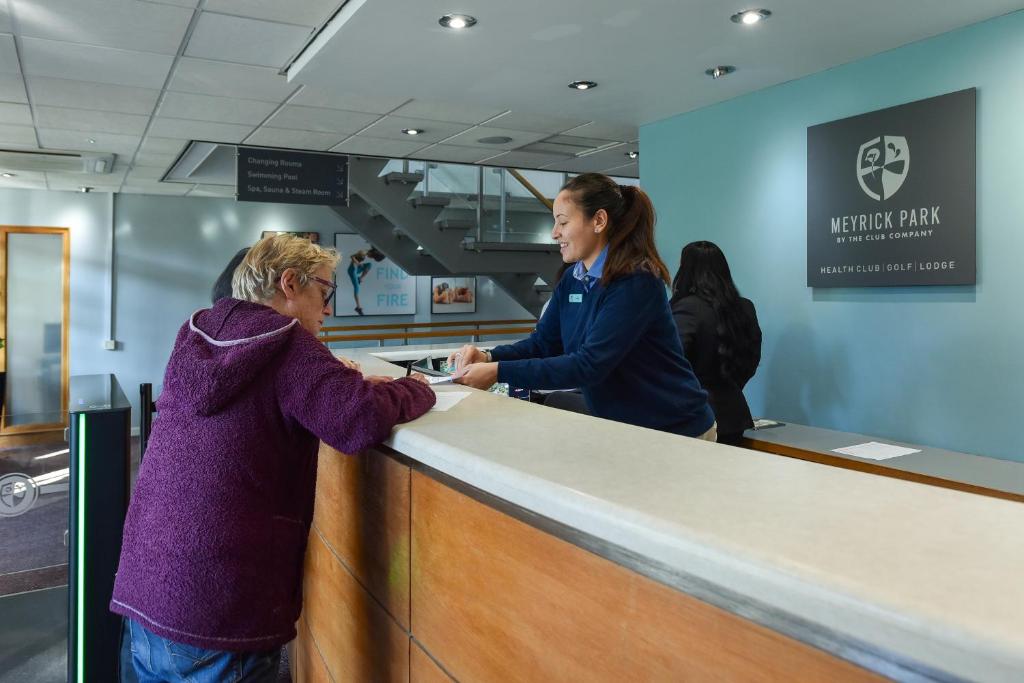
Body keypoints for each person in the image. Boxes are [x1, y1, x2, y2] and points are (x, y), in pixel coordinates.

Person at [111, 234, 435, 682]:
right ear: (289, 284)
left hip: (147, 590)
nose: (327, 310)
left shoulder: (199, 332)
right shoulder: (287, 343)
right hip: (220, 606)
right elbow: (357, 420)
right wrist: (418, 387)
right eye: (324, 293)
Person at [448, 173, 715, 440]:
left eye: (562, 222)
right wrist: (489, 357)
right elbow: (543, 344)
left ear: (599, 221)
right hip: (626, 428)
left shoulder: (636, 282)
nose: (555, 233)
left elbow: (589, 365)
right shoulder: (572, 279)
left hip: (676, 430)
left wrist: (498, 373)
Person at [670, 241, 762, 446]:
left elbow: (671, 362)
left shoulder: (687, 308)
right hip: (734, 414)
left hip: (692, 416)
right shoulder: (744, 307)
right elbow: (751, 358)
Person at [347, 246, 385, 315]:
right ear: (371, 254)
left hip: (356, 269)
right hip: (352, 271)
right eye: (372, 257)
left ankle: (361, 278)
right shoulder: (363, 253)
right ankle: (358, 307)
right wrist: (358, 263)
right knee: (356, 288)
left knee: (369, 265)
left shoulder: (365, 253)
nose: (370, 258)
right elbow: (352, 256)